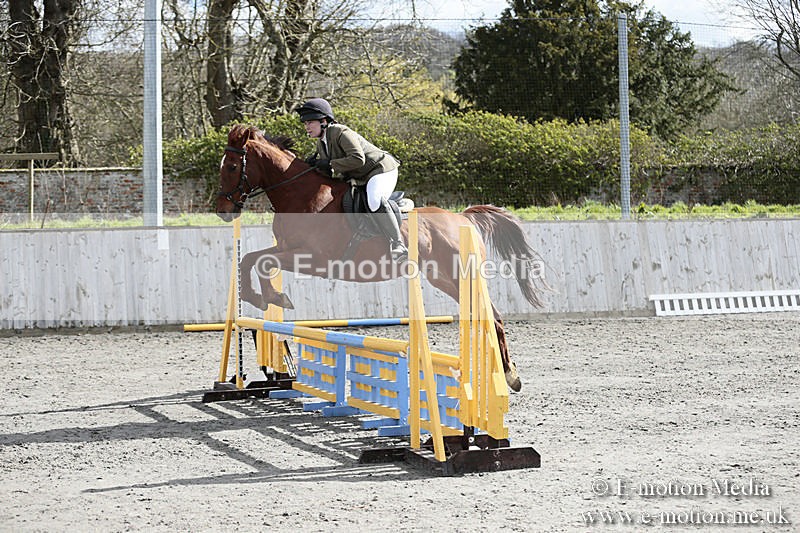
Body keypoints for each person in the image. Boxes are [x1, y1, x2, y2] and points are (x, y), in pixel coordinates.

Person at [296, 98, 408, 262]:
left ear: (324, 121)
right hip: (361, 177)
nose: (307, 127)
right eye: (305, 123)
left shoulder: (340, 132)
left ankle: (398, 244)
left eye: (310, 122)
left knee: (374, 200)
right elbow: (330, 173)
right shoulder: (321, 143)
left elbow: (358, 159)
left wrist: (329, 163)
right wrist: (313, 168)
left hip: (380, 169)